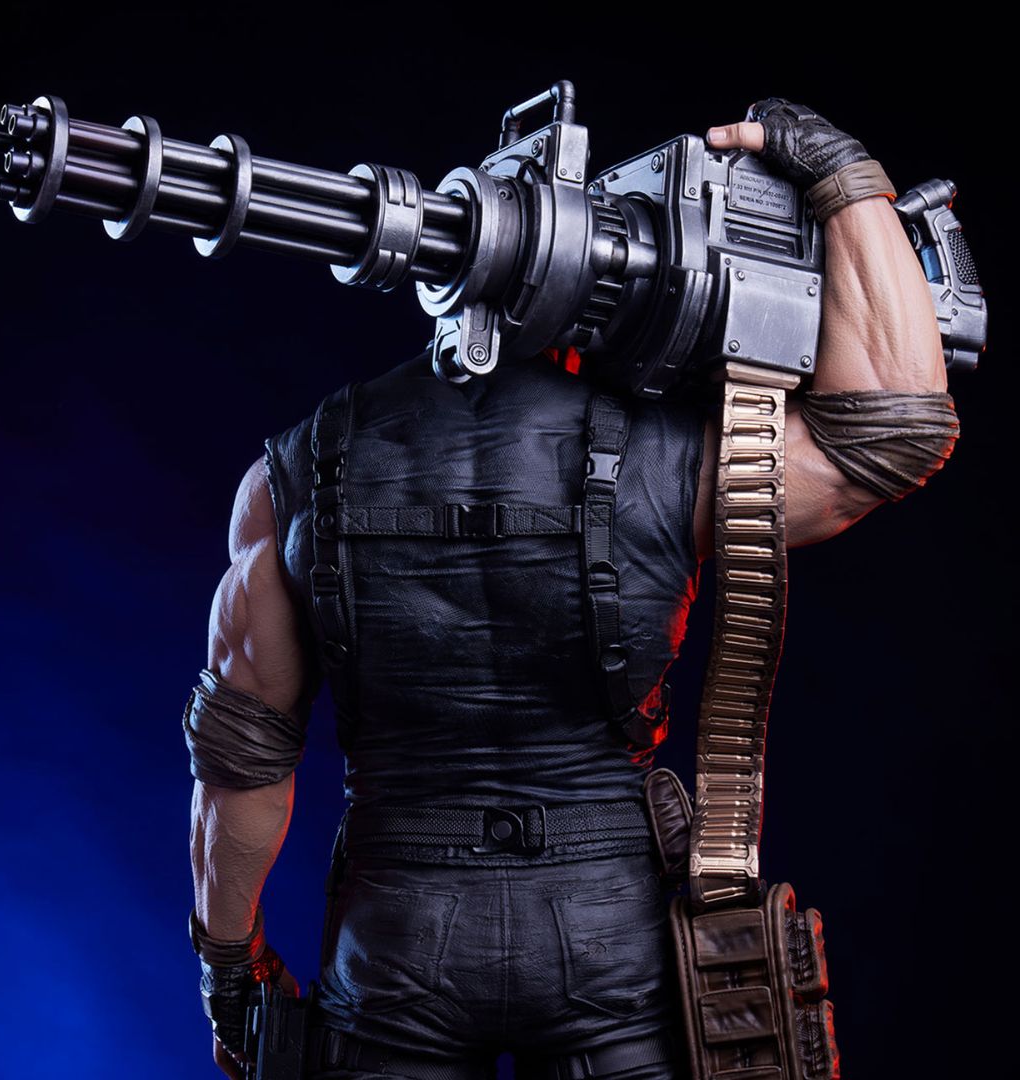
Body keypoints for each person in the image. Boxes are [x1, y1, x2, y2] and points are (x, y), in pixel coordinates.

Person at [185, 99, 959, 1079]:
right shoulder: (670, 459)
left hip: (397, 933)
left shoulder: (293, 475)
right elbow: (894, 428)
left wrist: (230, 969)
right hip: (610, 934)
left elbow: (241, 770)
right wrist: (841, 171)